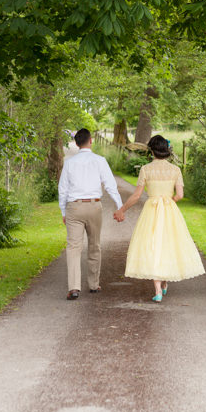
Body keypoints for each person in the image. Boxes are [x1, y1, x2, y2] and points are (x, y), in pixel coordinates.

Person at [113, 135, 205, 302]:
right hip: (170, 210)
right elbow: (180, 195)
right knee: (168, 244)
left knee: (153, 245)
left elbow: (136, 196)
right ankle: (163, 283)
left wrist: (122, 209)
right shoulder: (175, 170)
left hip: (151, 211)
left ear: (151, 151)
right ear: (167, 151)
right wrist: (168, 201)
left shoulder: (146, 169)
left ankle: (157, 290)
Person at [58, 128, 123, 300]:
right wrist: (119, 206)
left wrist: (64, 211)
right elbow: (110, 185)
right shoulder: (99, 160)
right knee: (94, 245)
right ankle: (93, 284)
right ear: (91, 141)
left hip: (75, 207)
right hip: (94, 206)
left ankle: (74, 288)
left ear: (77, 144)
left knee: (73, 248)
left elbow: (63, 190)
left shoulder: (70, 163)